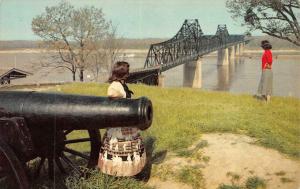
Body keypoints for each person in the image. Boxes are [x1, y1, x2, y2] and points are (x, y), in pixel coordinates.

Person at [98, 61, 146, 177]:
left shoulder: (122, 84)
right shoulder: (115, 85)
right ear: (122, 73)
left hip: (127, 122)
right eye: (127, 72)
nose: (128, 74)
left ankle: (129, 173)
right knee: (119, 149)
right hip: (119, 123)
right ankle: (118, 174)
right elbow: (111, 93)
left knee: (130, 148)